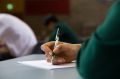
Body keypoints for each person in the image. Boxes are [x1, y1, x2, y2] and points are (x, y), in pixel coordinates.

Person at [41, 0, 120, 79]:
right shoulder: (62, 24)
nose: (49, 28)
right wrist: (78, 50)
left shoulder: (59, 26)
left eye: (48, 26)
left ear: (50, 23)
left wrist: (85, 53)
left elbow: (91, 64)